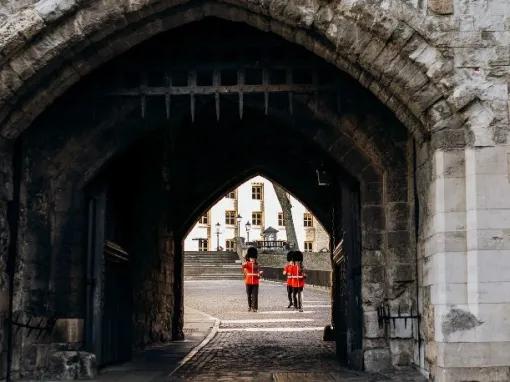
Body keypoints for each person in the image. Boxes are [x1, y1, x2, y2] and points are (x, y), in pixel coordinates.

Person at [242, 247, 263, 312]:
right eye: (251, 258)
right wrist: (244, 263)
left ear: (255, 258)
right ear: (249, 258)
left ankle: (254, 308)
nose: (252, 259)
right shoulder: (247, 264)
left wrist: (260, 274)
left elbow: (260, 274)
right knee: (249, 295)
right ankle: (250, 306)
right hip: (248, 282)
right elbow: (243, 267)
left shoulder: (258, 265)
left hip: (255, 282)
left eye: (253, 258)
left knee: (255, 295)